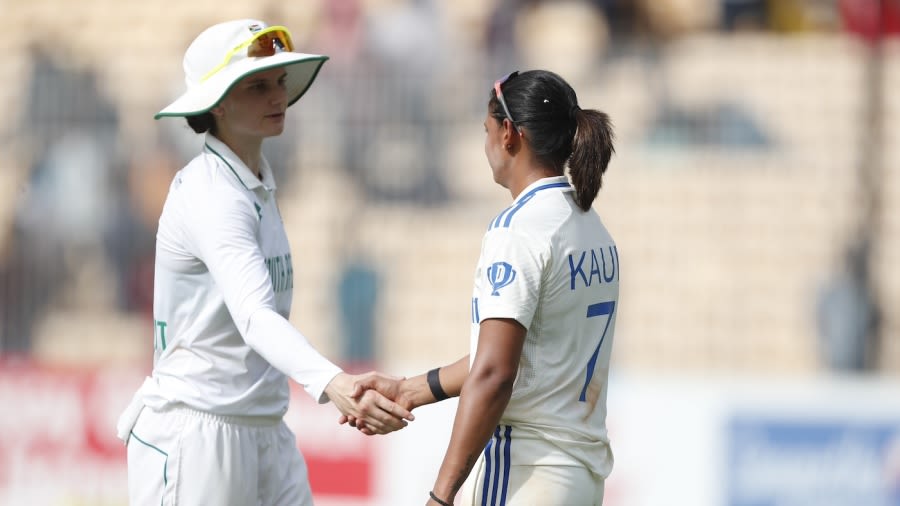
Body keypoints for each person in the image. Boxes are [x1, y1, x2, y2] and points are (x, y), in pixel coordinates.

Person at [115, 19, 413, 506]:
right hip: (196, 433)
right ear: (217, 103)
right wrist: (333, 383)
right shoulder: (212, 193)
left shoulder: (257, 182)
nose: (277, 95)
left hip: (264, 428)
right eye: (257, 86)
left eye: (279, 82)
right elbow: (254, 316)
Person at [347, 69, 618, 505]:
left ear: (509, 133)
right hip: (580, 476)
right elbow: (523, 352)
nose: (486, 142)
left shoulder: (518, 230)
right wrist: (413, 390)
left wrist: (441, 494)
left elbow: (495, 373)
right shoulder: (592, 226)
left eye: (486, 129)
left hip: (524, 471)